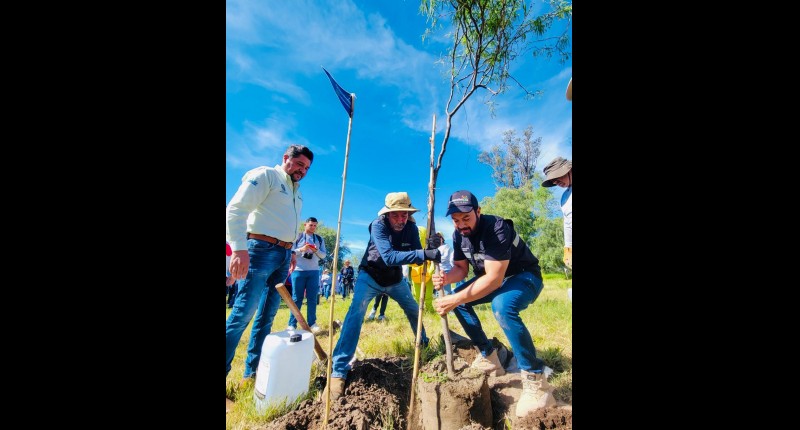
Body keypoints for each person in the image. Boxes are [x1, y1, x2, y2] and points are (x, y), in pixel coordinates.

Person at [431, 190, 556, 417]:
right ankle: (490, 357)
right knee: (460, 301)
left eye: (466, 218)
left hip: (524, 276)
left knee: (501, 306)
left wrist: (454, 298)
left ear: (478, 211)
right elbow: (461, 269)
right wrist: (446, 278)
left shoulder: (497, 228)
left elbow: (494, 279)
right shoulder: (458, 235)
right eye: (456, 220)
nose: (461, 225)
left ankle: (536, 380)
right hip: (495, 278)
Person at [324, 192, 441, 400]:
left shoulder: (412, 228)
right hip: (370, 276)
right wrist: (423, 254)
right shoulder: (377, 225)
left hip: (395, 281)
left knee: (414, 310)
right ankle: (338, 370)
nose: (401, 219)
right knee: (356, 313)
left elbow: (416, 257)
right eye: (396, 215)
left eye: (405, 215)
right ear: (387, 214)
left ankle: (423, 347)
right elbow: (389, 257)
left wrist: (429, 249)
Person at [225, 144, 314, 410]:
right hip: (259, 250)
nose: (302, 170)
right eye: (299, 164)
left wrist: (291, 251)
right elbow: (236, 209)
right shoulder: (267, 175)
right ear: (286, 158)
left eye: (307, 168)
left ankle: (251, 374)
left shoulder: (297, 192)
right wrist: (239, 248)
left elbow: (286, 223)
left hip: (283, 255)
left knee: (267, 317)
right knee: (243, 313)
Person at [288, 217, 327, 333]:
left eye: (315, 225)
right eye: (311, 225)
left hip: (314, 271)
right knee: (296, 298)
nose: (313, 227)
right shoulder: (297, 236)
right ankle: (292, 324)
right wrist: (302, 249)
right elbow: (290, 252)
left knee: (312, 298)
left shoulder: (319, 239)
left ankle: (312, 323)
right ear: (305, 224)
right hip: (298, 271)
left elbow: (323, 255)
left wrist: (315, 250)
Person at [541, 157, 571, 270]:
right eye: (553, 181)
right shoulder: (565, 198)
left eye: (557, 178)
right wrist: (568, 248)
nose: (556, 183)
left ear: (568, 170)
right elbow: (567, 223)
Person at [435, 231, 454, 297]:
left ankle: (447, 301)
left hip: (445, 271)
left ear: (442, 238)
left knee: (446, 291)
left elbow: (452, 260)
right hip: (436, 271)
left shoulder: (447, 247)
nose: (438, 239)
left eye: (439, 237)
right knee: (438, 290)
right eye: (436, 237)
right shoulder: (435, 248)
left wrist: (454, 269)